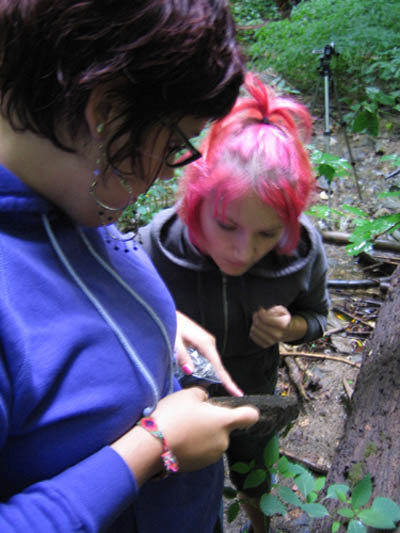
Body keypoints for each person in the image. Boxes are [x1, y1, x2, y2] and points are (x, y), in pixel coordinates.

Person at [0, 2, 260, 532]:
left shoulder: (65, 187)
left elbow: (71, 289)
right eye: (173, 144)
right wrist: (152, 449)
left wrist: (163, 324)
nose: (169, 171)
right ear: (108, 112)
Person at [138, 72, 330, 533]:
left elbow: (318, 317)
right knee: (181, 488)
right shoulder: (155, 247)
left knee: (254, 479)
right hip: (175, 402)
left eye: (267, 233)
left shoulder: (302, 252)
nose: (244, 252)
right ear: (195, 201)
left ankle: (258, 525)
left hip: (253, 392)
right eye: (226, 226)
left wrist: (291, 329)